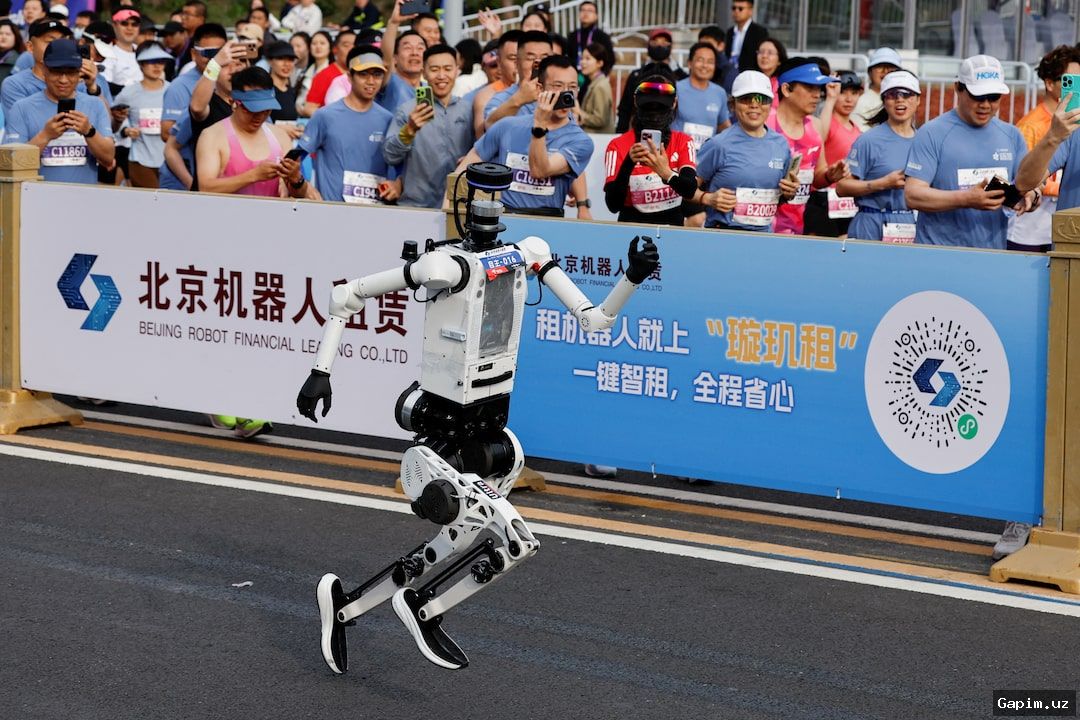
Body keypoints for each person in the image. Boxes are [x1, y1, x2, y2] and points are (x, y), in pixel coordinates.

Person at [905, 55, 1035, 249]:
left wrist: (1032, 195)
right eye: (977, 96)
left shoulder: (1012, 135)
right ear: (958, 88)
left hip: (991, 255)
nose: (985, 105)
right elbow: (912, 195)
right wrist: (966, 199)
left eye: (993, 97)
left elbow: (1025, 185)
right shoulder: (932, 133)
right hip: (937, 253)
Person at [457, 54, 593, 217]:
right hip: (502, 218)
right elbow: (461, 172)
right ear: (540, 89)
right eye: (558, 86)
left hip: (548, 222)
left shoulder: (581, 141)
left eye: (572, 87)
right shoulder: (508, 125)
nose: (566, 94)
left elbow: (540, 171)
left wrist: (539, 127)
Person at [693, 70, 797, 232]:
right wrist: (707, 198)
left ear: (770, 104)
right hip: (723, 236)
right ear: (733, 105)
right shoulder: (718, 144)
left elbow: (778, 196)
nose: (754, 105)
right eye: (746, 99)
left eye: (762, 99)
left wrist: (788, 194)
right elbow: (684, 189)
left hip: (764, 239)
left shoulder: (781, 145)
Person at [3, 37, 113, 184]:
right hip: (37, 200)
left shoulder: (95, 105)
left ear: (79, 73)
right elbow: (10, 164)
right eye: (56, 72)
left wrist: (89, 132)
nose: (63, 80)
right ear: (44, 71)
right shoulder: (22, 108)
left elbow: (108, 158)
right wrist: (45, 136)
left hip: (84, 199)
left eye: (71, 72)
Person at [299, 46, 397, 205]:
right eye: (363, 74)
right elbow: (295, 158)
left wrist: (397, 185)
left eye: (377, 75)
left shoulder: (388, 119)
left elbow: (400, 167)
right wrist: (304, 186)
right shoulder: (325, 115)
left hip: (376, 214)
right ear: (349, 77)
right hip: (333, 213)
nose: (371, 81)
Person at [1007, 46, 1080, 253]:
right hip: (1033, 230)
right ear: (1049, 84)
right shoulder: (1036, 126)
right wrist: (1054, 136)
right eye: (1072, 81)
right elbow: (1021, 181)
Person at [384, 43, 473, 208]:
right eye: (434, 69)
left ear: (457, 70)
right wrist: (409, 130)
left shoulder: (469, 110)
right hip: (415, 206)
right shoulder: (408, 110)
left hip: (458, 206)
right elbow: (390, 156)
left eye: (447, 69)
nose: (441, 75)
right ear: (424, 72)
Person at [767, 58, 850, 235]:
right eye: (809, 88)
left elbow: (817, 178)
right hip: (762, 229)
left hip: (799, 230)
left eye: (818, 89)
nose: (817, 95)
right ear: (787, 89)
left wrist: (830, 176)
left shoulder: (815, 126)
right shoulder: (766, 123)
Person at [836, 70, 919, 243]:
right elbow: (842, 187)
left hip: (909, 224)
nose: (899, 100)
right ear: (884, 101)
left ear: (918, 100)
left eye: (907, 94)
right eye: (892, 95)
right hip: (871, 223)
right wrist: (882, 183)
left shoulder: (924, 142)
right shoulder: (869, 140)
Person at [603, 77, 697, 226]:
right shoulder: (617, 145)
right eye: (647, 108)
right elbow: (613, 205)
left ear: (674, 104)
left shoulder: (683, 142)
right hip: (631, 231)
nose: (654, 115)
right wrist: (628, 163)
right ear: (636, 103)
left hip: (673, 233)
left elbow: (690, 190)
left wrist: (666, 173)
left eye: (660, 109)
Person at [159, 21, 226, 191]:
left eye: (218, 53)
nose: (213, 60)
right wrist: (192, 184)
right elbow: (167, 134)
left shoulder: (229, 83)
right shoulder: (179, 86)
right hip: (182, 178)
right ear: (193, 53)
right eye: (207, 53)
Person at [2, 18, 105, 117]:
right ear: (30, 47)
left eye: (62, 41)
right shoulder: (15, 84)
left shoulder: (83, 80)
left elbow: (109, 124)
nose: (58, 47)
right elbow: (25, 125)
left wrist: (92, 88)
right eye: (50, 42)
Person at [187, 38, 252, 191]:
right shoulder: (210, 102)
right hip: (210, 196)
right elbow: (197, 107)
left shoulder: (256, 107)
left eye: (240, 63)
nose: (234, 69)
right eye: (226, 65)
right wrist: (215, 63)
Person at [804, 70, 862, 238]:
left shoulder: (857, 129)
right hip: (823, 199)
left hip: (847, 201)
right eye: (843, 92)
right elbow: (819, 137)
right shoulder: (827, 122)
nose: (849, 99)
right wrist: (830, 98)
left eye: (854, 93)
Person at [114, 41, 170, 188]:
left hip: (170, 161)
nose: (157, 66)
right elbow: (113, 123)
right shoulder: (128, 93)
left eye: (161, 61)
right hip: (140, 161)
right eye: (151, 61)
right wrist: (125, 130)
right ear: (140, 64)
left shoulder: (173, 91)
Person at [615, 28, 685, 133]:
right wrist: (620, 134)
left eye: (664, 42)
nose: (660, 46)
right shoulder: (636, 75)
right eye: (655, 42)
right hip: (639, 132)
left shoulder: (681, 77)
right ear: (648, 45)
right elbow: (625, 109)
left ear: (671, 46)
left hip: (671, 134)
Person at [483, 29, 551, 130]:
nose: (538, 64)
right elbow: (490, 126)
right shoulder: (500, 100)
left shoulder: (559, 95)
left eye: (545, 58)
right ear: (517, 63)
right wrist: (519, 99)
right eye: (530, 58)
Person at [673, 41, 730, 152]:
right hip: (678, 157)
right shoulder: (676, 89)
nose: (705, 65)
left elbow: (724, 126)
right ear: (689, 63)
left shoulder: (720, 93)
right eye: (700, 60)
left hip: (706, 159)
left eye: (710, 62)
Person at [471, 28, 517, 138]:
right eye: (512, 58)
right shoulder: (484, 96)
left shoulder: (541, 88)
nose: (517, 63)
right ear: (500, 61)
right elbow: (482, 139)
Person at [301, 28, 354, 117]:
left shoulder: (361, 74)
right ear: (335, 49)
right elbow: (309, 108)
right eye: (346, 45)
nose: (352, 49)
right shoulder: (324, 75)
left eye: (355, 45)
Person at [852, 47, 901, 132]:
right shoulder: (862, 102)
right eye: (880, 66)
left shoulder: (904, 99)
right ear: (870, 72)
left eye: (890, 67)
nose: (885, 71)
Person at [575, 41, 613, 133]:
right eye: (582, 58)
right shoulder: (595, 83)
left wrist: (578, 111)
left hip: (599, 139)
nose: (582, 62)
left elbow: (600, 120)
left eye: (588, 59)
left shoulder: (600, 86)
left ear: (600, 63)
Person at [565, 1, 611, 72]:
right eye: (583, 10)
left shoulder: (603, 37)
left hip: (595, 77)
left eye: (590, 10)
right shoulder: (572, 36)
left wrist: (600, 75)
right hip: (575, 76)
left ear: (596, 16)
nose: (585, 13)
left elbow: (610, 60)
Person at [103, 8, 142, 91]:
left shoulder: (144, 51)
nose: (129, 28)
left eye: (134, 24)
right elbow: (105, 86)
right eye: (124, 23)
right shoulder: (106, 53)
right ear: (114, 26)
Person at [726, 0, 769, 73]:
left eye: (740, 8)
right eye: (734, 8)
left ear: (750, 11)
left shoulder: (759, 32)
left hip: (750, 76)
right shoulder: (729, 32)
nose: (736, 11)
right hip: (729, 75)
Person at [295, 29, 329, 114]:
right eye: (314, 43)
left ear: (330, 48)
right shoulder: (305, 72)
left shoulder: (332, 73)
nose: (318, 47)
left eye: (322, 43)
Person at [265, 41, 299, 123]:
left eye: (291, 59)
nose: (286, 64)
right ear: (270, 61)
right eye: (281, 58)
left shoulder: (292, 91)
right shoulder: (264, 90)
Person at [697, 25, 737, 94]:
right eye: (701, 45)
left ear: (721, 46)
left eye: (708, 45)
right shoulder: (697, 66)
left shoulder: (729, 72)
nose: (704, 49)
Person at [176, 0, 206, 78]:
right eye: (182, 13)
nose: (183, 17)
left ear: (201, 19)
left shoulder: (203, 42)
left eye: (188, 14)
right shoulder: (184, 40)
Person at [752, 37, 786, 102]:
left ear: (779, 60)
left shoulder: (783, 84)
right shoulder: (751, 79)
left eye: (770, 53)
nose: (764, 56)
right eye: (761, 52)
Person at [0, 18, 26, 86]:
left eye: (8, 34)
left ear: (16, 37)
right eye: (0, 33)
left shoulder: (20, 59)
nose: (3, 37)